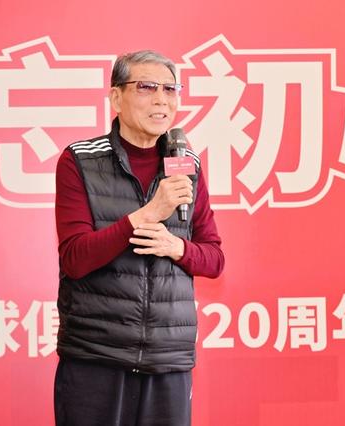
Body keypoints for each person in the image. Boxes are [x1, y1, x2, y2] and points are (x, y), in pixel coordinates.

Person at [54, 50, 224, 426]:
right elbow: (75, 258)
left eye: (170, 89)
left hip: (168, 358)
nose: (162, 99)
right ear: (116, 98)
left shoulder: (187, 165)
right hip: (95, 354)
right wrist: (147, 214)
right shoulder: (80, 160)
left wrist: (177, 247)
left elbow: (214, 258)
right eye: (146, 87)